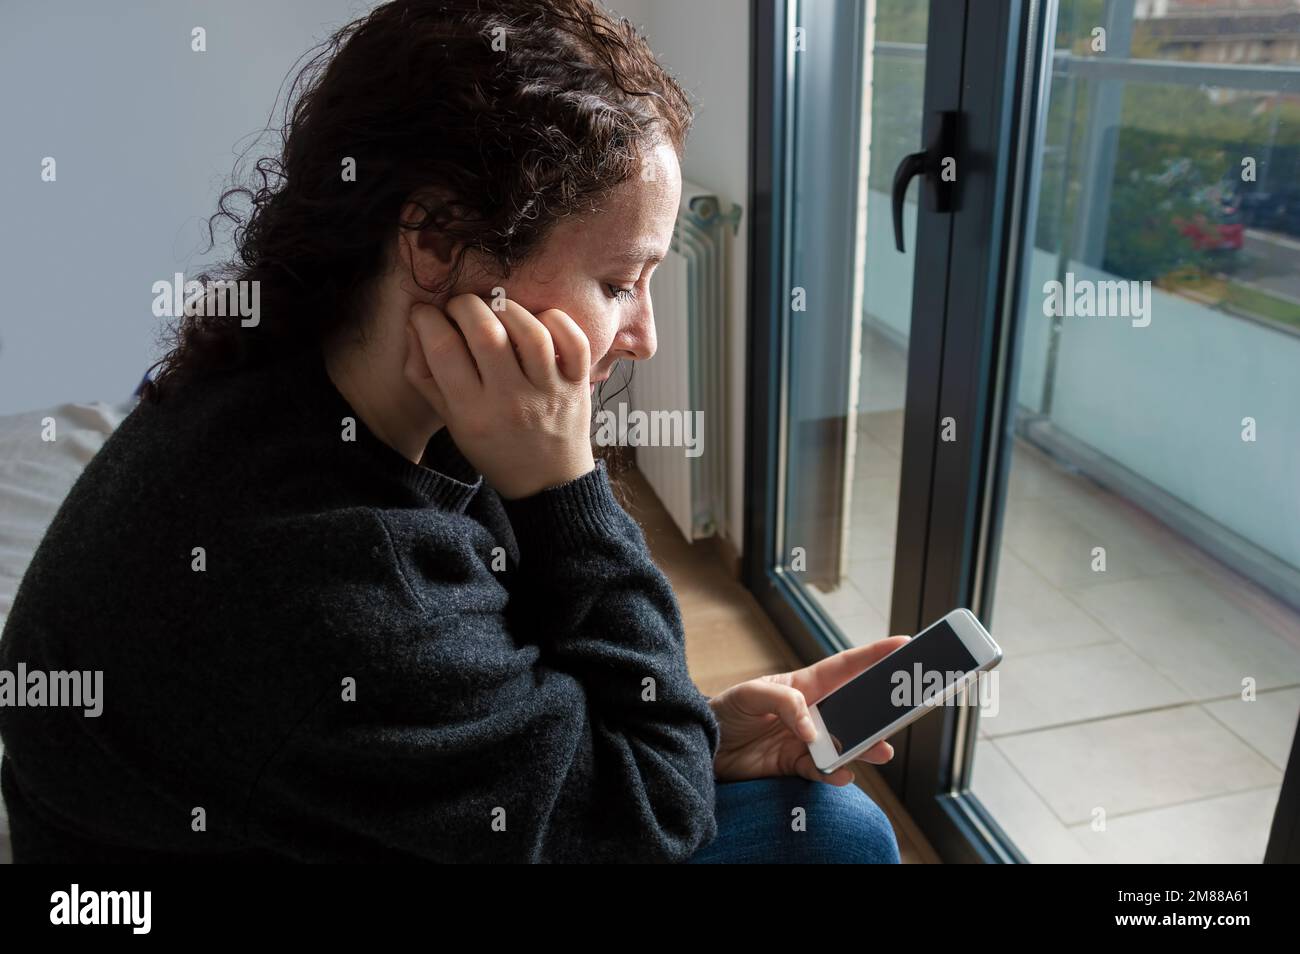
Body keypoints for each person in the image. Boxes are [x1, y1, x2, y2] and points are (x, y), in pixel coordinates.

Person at [0, 0, 901, 863]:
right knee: (834, 836)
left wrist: (694, 730)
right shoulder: (331, 591)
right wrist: (566, 494)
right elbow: (650, 816)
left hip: (295, 804)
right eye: (622, 281)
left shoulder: (312, 367)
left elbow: (513, 668)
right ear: (435, 244)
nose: (644, 335)